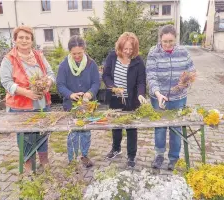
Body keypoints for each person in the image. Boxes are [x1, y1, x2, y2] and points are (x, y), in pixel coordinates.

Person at [0, 25, 55, 172]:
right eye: (21, 38)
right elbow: (6, 83)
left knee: (43, 132)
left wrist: (48, 83)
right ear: (15, 40)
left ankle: (44, 160)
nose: (24, 41)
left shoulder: (39, 56)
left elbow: (50, 73)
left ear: (31, 40)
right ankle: (28, 164)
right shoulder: (9, 59)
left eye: (27, 38)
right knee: (25, 137)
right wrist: (27, 93)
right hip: (20, 106)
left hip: (42, 104)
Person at [146, 25, 196, 170]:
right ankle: (159, 155)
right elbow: (151, 75)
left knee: (176, 128)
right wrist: (157, 93)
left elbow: (191, 70)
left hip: (179, 98)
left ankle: (174, 157)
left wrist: (185, 81)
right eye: (165, 41)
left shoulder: (183, 52)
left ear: (176, 39)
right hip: (158, 97)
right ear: (160, 40)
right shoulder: (153, 53)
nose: (168, 45)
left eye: (171, 41)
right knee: (160, 128)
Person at [102, 32, 147, 168]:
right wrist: (113, 87)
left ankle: (131, 155)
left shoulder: (138, 61)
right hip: (115, 98)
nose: (128, 52)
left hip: (132, 100)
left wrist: (140, 94)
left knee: (131, 128)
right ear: (120, 47)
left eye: (131, 49)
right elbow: (106, 75)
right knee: (116, 126)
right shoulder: (112, 56)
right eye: (125, 49)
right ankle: (116, 149)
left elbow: (141, 82)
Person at [56, 35, 100, 168]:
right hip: (70, 105)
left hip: (88, 106)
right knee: (73, 133)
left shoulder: (91, 64)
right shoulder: (64, 65)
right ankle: (72, 159)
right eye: (74, 53)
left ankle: (84, 156)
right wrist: (71, 94)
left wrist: (89, 94)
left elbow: (96, 83)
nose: (77, 56)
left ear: (84, 50)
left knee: (86, 131)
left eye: (79, 53)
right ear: (69, 52)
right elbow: (60, 85)